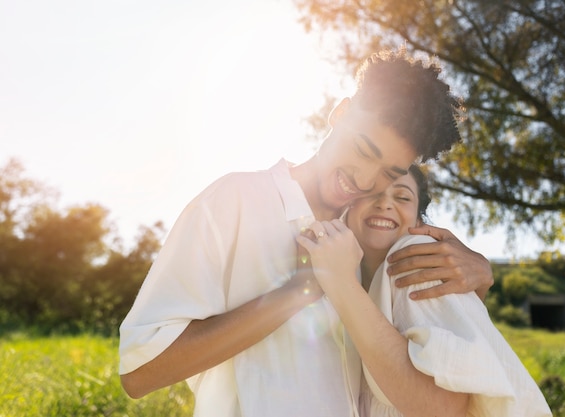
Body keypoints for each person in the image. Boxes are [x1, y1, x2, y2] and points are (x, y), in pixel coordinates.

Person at [118, 48, 493, 416]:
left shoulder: (367, 236)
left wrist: (481, 276)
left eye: (390, 174)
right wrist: (297, 293)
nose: (364, 179)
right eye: (362, 149)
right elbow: (139, 373)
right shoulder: (235, 201)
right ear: (340, 113)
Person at [298, 165, 553, 416]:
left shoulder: (416, 256)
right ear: (349, 206)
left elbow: (442, 407)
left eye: (402, 197)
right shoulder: (347, 277)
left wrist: (342, 283)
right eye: (373, 193)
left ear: (419, 221)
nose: (385, 204)